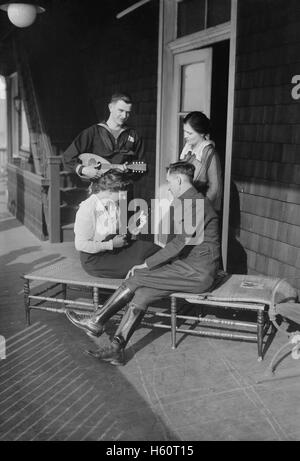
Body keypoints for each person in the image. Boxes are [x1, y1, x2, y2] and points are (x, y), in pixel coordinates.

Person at [66, 162, 220, 366]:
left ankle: (96, 320)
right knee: (143, 294)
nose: (169, 186)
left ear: (180, 180)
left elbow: (179, 243)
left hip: (197, 272)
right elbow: (180, 243)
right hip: (187, 267)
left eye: (170, 182)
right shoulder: (189, 201)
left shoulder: (195, 203)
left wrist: (147, 264)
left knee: (137, 276)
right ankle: (116, 349)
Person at [73, 169, 159, 279]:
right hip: (95, 259)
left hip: (114, 249)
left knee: (152, 249)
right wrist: (111, 244)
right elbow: (80, 245)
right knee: (141, 263)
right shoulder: (87, 208)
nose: (124, 196)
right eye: (122, 193)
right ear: (110, 191)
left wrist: (136, 225)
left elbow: (118, 233)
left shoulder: (113, 204)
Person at [62, 93, 145, 180]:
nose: (124, 116)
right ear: (110, 107)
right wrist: (83, 169)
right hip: (99, 188)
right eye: (121, 110)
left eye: (128, 112)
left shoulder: (134, 135)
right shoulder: (92, 132)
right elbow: (67, 157)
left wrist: (128, 171)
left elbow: (142, 166)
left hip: (124, 188)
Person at [180, 111, 223, 212]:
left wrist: (201, 209)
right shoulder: (187, 151)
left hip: (200, 209)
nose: (185, 136)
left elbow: (215, 188)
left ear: (202, 133)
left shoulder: (209, 153)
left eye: (189, 133)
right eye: (184, 132)